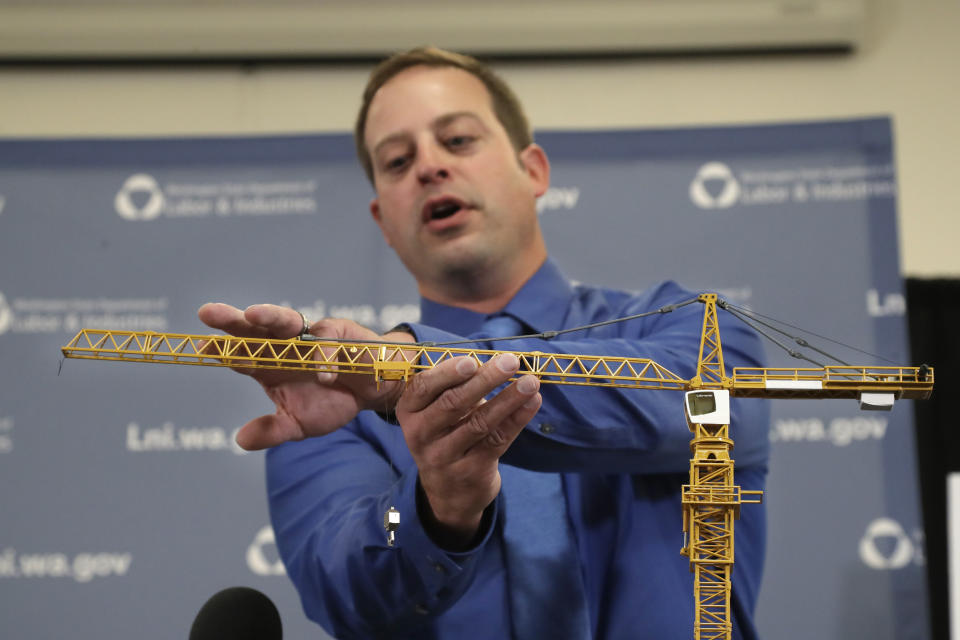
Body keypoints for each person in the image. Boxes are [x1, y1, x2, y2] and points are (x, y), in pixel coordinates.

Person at [199, 47, 769, 640]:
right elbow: (348, 587)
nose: (428, 167)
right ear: (382, 222)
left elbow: (705, 407)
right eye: (397, 161)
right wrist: (431, 514)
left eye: (459, 140)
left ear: (534, 171)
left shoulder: (692, 330)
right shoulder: (328, 397)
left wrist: (416, 366)